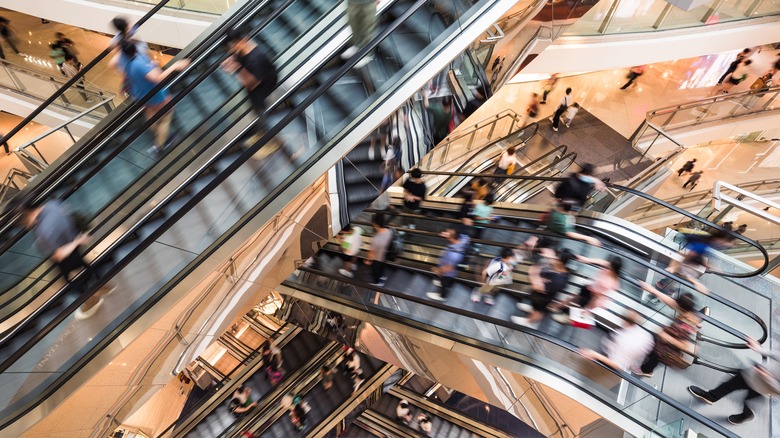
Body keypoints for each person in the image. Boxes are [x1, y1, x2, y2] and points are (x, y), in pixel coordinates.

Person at [19, 200, 115, 319]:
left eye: (22, 221)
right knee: (82, 263)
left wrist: (75, 242)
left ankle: (90, 300)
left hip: (68, 251)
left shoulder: (43, 229)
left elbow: (59, 254)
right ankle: (102, 285)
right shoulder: (52, 204)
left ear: (27, 213)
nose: (24, 225)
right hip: (73, 240)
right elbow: (68, 215)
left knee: (67, 281)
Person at [113, 41, 189, 155]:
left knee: (150, 115)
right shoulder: (138, 62)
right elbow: (157, 78)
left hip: (140, 95)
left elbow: (114, 65)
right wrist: (175, 66)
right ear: (135, 49)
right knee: (165, 118)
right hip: (156, 96)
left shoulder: (123, 61)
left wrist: (152, 65)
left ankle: (157, 135)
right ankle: (160, 145)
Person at [688, 337, 780, 425]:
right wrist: (759, 349)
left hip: (763, 386)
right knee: (728, 385)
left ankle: (747, 414)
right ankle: (711, 396)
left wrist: (767, 377)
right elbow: (776, 354)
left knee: (748, 401)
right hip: (753, 373)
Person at [222, 29, 278, 146]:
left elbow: (252, 84)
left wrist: (235, 69)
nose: (232, 49)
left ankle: (269, 138)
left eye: (233, 45)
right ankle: (263, 131)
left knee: (261, 112)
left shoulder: (256, 59)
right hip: (260, 84)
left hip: (263, 87)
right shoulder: (244, 50)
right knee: (257, 110)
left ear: (242, 41)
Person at [633, 281, 699, 377]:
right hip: (663, 341)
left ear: (682, 306)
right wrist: (651, 289)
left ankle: (646, 371)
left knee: (654, 358)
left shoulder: (687, 325)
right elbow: (670, 302)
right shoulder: (687, 311)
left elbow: (684, 346)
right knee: (652, 351)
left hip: (666, 349)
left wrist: (666, 337)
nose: (674, 303)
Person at [512, 248, 572, 328]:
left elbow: (537, 286)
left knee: (539, 310)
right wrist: (539, 278)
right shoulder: (556, 268)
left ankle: (529, 322)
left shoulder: (559, 280)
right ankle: (532, 310)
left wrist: (534, 275)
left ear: (559, 261)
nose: (551, 259)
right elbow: (538, 272)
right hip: (539, 295)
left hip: (543, 299)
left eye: (554, 258)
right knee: (536, 306)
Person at [579, 310, 654, 371]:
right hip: (621, 357)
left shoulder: (624, 340)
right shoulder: (645, 335)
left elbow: (618, 365)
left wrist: (594, 355)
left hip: (609, 364)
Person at [426, 227, 470, 302]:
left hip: (448, 273)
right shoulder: (462, 240)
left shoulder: (455, 255)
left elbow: (449, 268)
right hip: (449, 267)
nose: (444, 233)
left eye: (447, 233)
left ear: (452, 238)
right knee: (446, 280)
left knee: (445, 282)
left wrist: (438, 270)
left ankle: (442, 296)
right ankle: (445, 284)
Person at [341, 0, 379, 68]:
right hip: (353, 2)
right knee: (353, 25)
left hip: (368, 3)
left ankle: (368, 55)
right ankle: (357, 45)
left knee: (367, 29)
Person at [366, 213, 392, 287]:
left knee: (375, 270)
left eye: (373, 223)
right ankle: (382, 276)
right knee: (382, 267)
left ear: (376, 225)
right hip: (385, 255)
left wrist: (368, 260)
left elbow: (372, 252)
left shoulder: (376, 238)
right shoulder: (389, 230)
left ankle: (377, 282)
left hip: (377, 258)